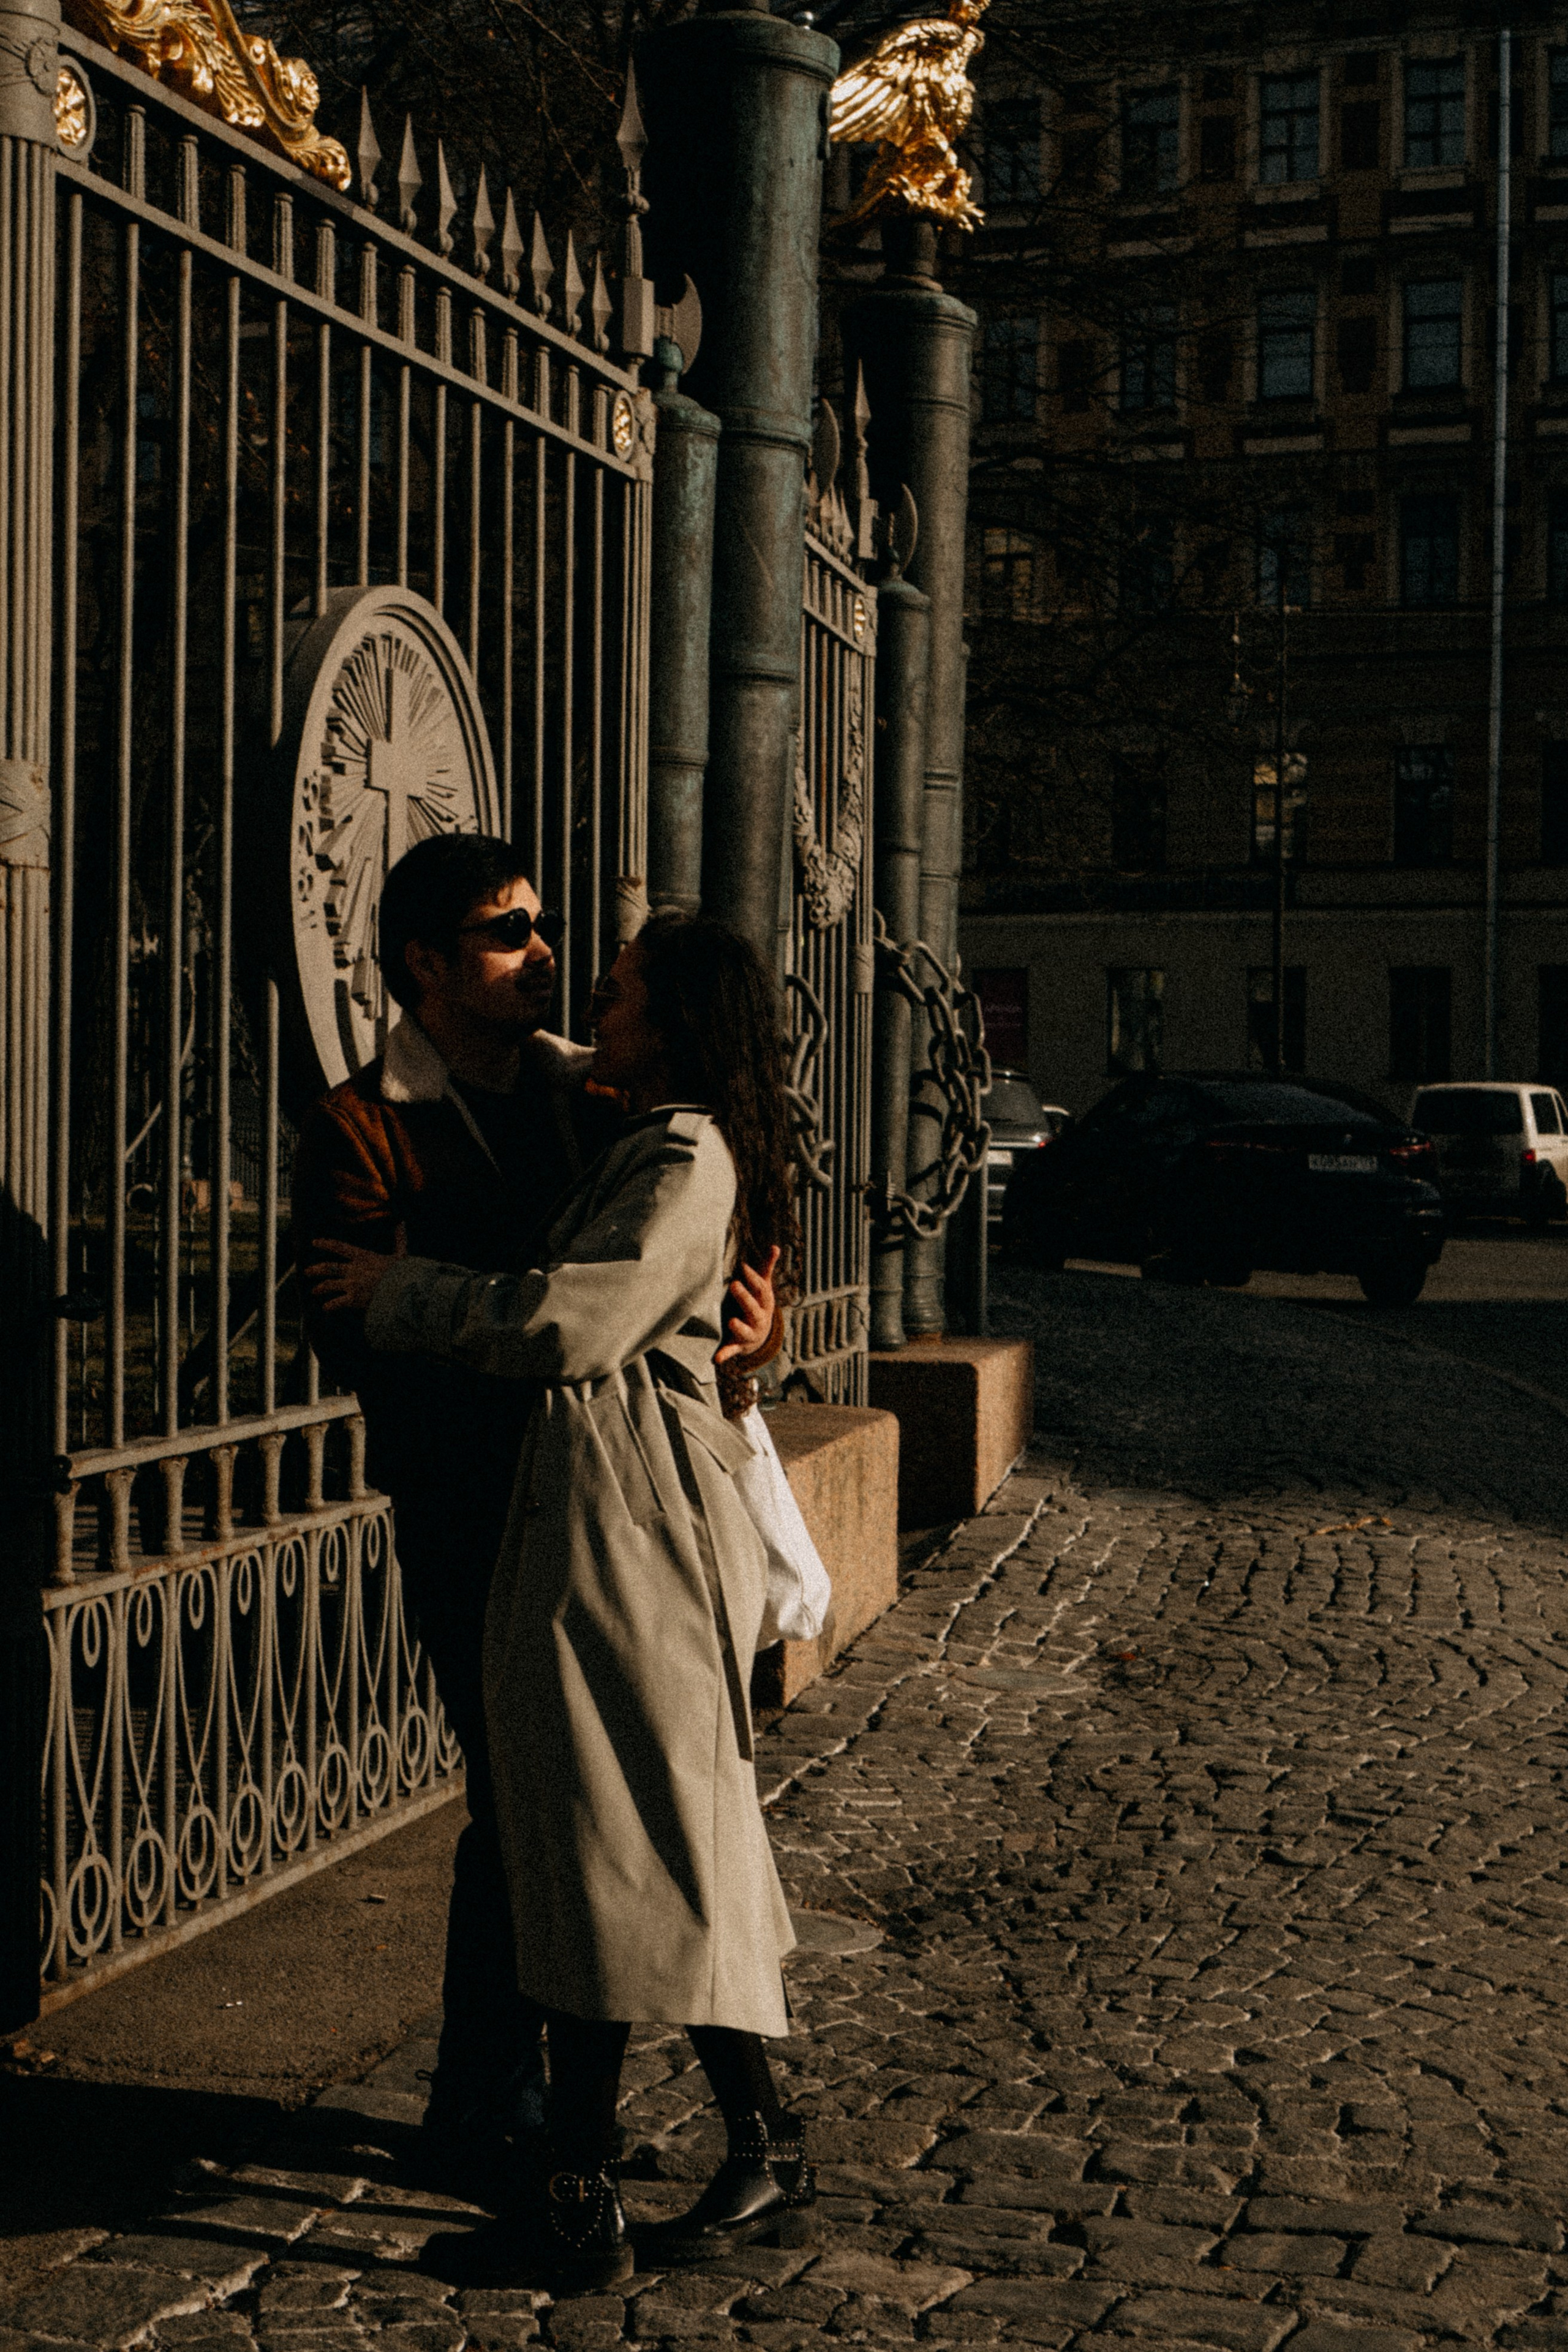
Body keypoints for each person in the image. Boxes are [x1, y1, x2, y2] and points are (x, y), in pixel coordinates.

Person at [306, 914, 813, 2290]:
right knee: (627, 1844)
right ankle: (752, 2147)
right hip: (590, 1519)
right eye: (523, 946)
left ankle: (579, 2195)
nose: (579, 996)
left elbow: (572, 1321)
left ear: (675, 1021)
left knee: (606, 1845)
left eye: (613, 990)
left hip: (624, 1529)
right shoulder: (626, 1120)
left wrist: (398, 1291)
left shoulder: (680, 1149)